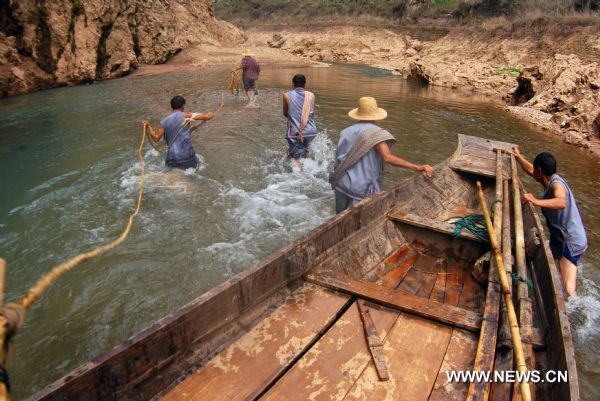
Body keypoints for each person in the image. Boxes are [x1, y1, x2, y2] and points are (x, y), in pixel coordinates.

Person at [330, 97, 433, 214]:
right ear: (375, 115)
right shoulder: (377, 134)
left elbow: (338, 157)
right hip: (360, 189)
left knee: (340, 218)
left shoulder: (345, 131)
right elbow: (387, 157)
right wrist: (417, 167)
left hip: (341, 184)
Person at [514, 148, 587, 296]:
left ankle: (572, 313)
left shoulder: (556, 185)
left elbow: (561, 202)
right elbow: (530, 169)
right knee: (558, 271)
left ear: (540, 171)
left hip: (570, 241)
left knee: (568, 288)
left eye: (535, 169)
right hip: (564, 238)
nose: (532, 170)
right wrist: (518, 156)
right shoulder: (550, 179)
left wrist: (536, 201)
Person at [141, 95, 214, 170]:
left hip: (172, 159)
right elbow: (206, 117)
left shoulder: (164, 122)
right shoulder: (186, 115)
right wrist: (210, 115)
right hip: (186, 156)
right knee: (198, 165)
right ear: (182, 106)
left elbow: (156, 138)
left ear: (172, 107)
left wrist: (148, 126)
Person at [283, 74, 317, 170]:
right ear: (305, 84)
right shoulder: (311, 95)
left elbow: (285, 114)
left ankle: (297, 176)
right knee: (304, 152)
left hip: (295, 133)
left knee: (296, 158)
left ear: (292, 84)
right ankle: (307, 168)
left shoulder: (286, 95)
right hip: (311, 131)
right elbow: (312, 113)